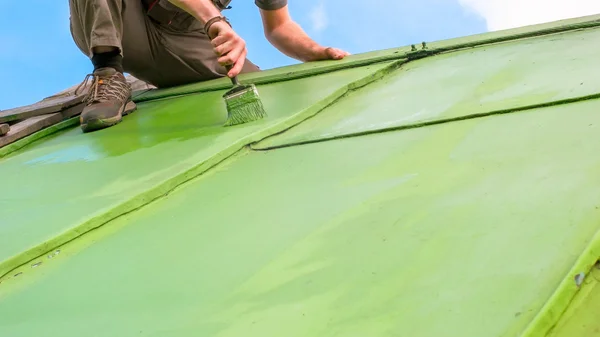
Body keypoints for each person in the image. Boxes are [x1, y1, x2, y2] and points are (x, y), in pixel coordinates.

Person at [69, 0, 349, 132]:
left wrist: (315, 51)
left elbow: (280, 27)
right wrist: (214, 20)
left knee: (267, 97)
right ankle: (107, 75)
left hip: (186, 40)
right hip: (121, 28)